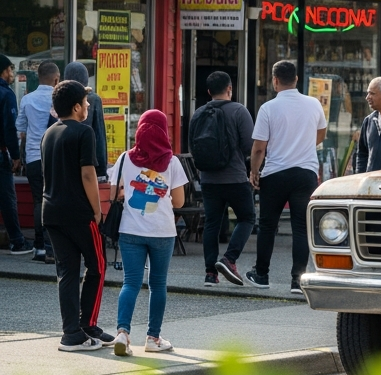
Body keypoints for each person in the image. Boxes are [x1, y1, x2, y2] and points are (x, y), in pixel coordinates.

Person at [108, 109, 186, 357]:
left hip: (130, 230)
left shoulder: (124, 159)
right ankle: (153, 338)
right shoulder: (172, 162)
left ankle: (122, 333)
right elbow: (180, 202)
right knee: (158, 283)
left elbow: (112, 195)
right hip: (162, 232)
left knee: (130, 282)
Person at [41, 80, 112, 352]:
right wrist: (97, 209)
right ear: (76, 107)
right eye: (85, 101)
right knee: (97, 266)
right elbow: (87, 173)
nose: (88, 105)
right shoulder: (84, 132)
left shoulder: (49, 133)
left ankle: (72, 333)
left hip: (52, 212)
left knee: (67, 273)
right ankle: (88, 325)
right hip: (80, 212)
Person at [248, 60, 326, 294]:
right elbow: (321, 133)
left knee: (267, 226)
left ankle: (262, 275)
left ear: (274, 81)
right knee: (301, 227)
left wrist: (254, 171)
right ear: (296, 79)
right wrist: (303, 147)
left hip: (275, 174)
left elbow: (259, 147)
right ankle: (297, 279)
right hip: (305, 173)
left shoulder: (268, 108)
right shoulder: (313, 104)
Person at [191, 71, 256, 288]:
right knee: (247, 218)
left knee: (212, 223)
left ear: (209, 92)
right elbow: (250, 146)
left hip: (208, 178)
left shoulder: (198, 113)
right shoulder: (239, 111)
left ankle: (210, 273)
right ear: (230, 89)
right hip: (235, 177)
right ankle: (229, 259)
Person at [17, 60, 58, 262]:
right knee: (53, 201)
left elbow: (20, 127)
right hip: (54, 157)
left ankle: (39, 247)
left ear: (38, 77)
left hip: (34, 156)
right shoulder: (58, 99)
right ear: (56, 79)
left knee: (38, 202)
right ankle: (52, 248)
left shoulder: (27, 99)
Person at [0, 55, 32, 255]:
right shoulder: (6, 94)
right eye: (10, 70)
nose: (12, 74)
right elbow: (9, 128)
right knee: (7, 198)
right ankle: (17, 241)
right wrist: (15, 155)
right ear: (3, 71)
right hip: (1, 154)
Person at [62, 62, 107, 179]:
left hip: (63, 160)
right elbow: (99, 135)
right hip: (86, 159)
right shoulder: (93, 99)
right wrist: (101, 170)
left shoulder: (60, 97)